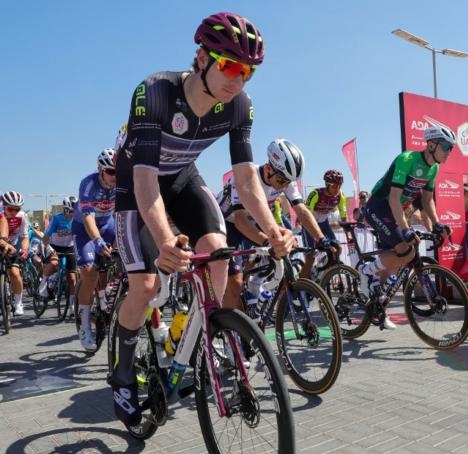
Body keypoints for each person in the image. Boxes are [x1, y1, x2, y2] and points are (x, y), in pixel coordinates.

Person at [111, 12, 295, 427]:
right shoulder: (154, 93)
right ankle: (123, 376)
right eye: (230, 66)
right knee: (145, 284)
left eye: (247, 72)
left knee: (218, 251)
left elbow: (247, 182)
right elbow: (144, 184)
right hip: (135, 185)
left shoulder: (238, 106)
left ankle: (189, 336)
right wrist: (164, 241)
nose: (238, 80)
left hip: (181, 180)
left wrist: (273, 231)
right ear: (201, 58)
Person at [219, 139, 333, 310]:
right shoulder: (246, 177)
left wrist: (321, 239)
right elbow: (240, 220)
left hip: (254, 220)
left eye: (289, 182)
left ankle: (254, 291)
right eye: (282, 182)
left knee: (277, 253)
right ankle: (234, 327)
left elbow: (301, 210)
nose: (285, 186)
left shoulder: (284, 177)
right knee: (235, 282)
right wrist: (267, 242)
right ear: (269, 169)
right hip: (229, 223)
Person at [359, 125, 454, 330]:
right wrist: (405, 229)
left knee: (395, 261)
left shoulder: (434, 168)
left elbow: (427, 200)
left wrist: (436, 223)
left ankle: (378, 306)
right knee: (406, 249)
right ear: (431, 144)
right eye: (446, 147)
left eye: (451, 148)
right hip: (379, 206)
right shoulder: (407, 159)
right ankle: (366, 272)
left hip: (395, 210)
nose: (449, 152)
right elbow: (393, 197)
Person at [72, 149, 118, 352]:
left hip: (108, 225)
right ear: (100, 170)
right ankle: (84, 325)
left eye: (118, 171)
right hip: (84, 228)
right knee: (89, 274)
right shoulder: (88, 183)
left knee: (123, 261)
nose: (114, 176)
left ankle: (105, 294)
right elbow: (88, 217)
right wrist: (98, 241)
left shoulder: (122, 181)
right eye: (110, 171)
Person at [38, 198, 78, 318]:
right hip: (55, 246)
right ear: (65, 210)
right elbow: (46, 236)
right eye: (70, 211)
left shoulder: (77, 219)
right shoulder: (57, 218)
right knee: (55, 264)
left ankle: (71, 306)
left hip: (69, 248)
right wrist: (48, 248)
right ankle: (44, 282)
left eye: (75, 211)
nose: (73, 213)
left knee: (72, 278)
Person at [1, 191, 30, 315]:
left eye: (17, 209)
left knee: (14, 272)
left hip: (12, 244)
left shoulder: (22, 216)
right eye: (10, 209)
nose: (13, 212)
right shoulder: (1, 214)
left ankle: (18, 303)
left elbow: (25, 236)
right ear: (3, 205)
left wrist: (24, 250)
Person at [304, 169, 347, 246]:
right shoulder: (315, 194)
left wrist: (349, 236)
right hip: (310, 223)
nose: (338, 188)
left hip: (324, 222)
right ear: (327, 184)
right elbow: (306, 215)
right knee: (311, 253)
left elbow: (344, 217)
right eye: (335, 185)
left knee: (336, 247)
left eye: (340, 185)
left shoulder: (340, 196)